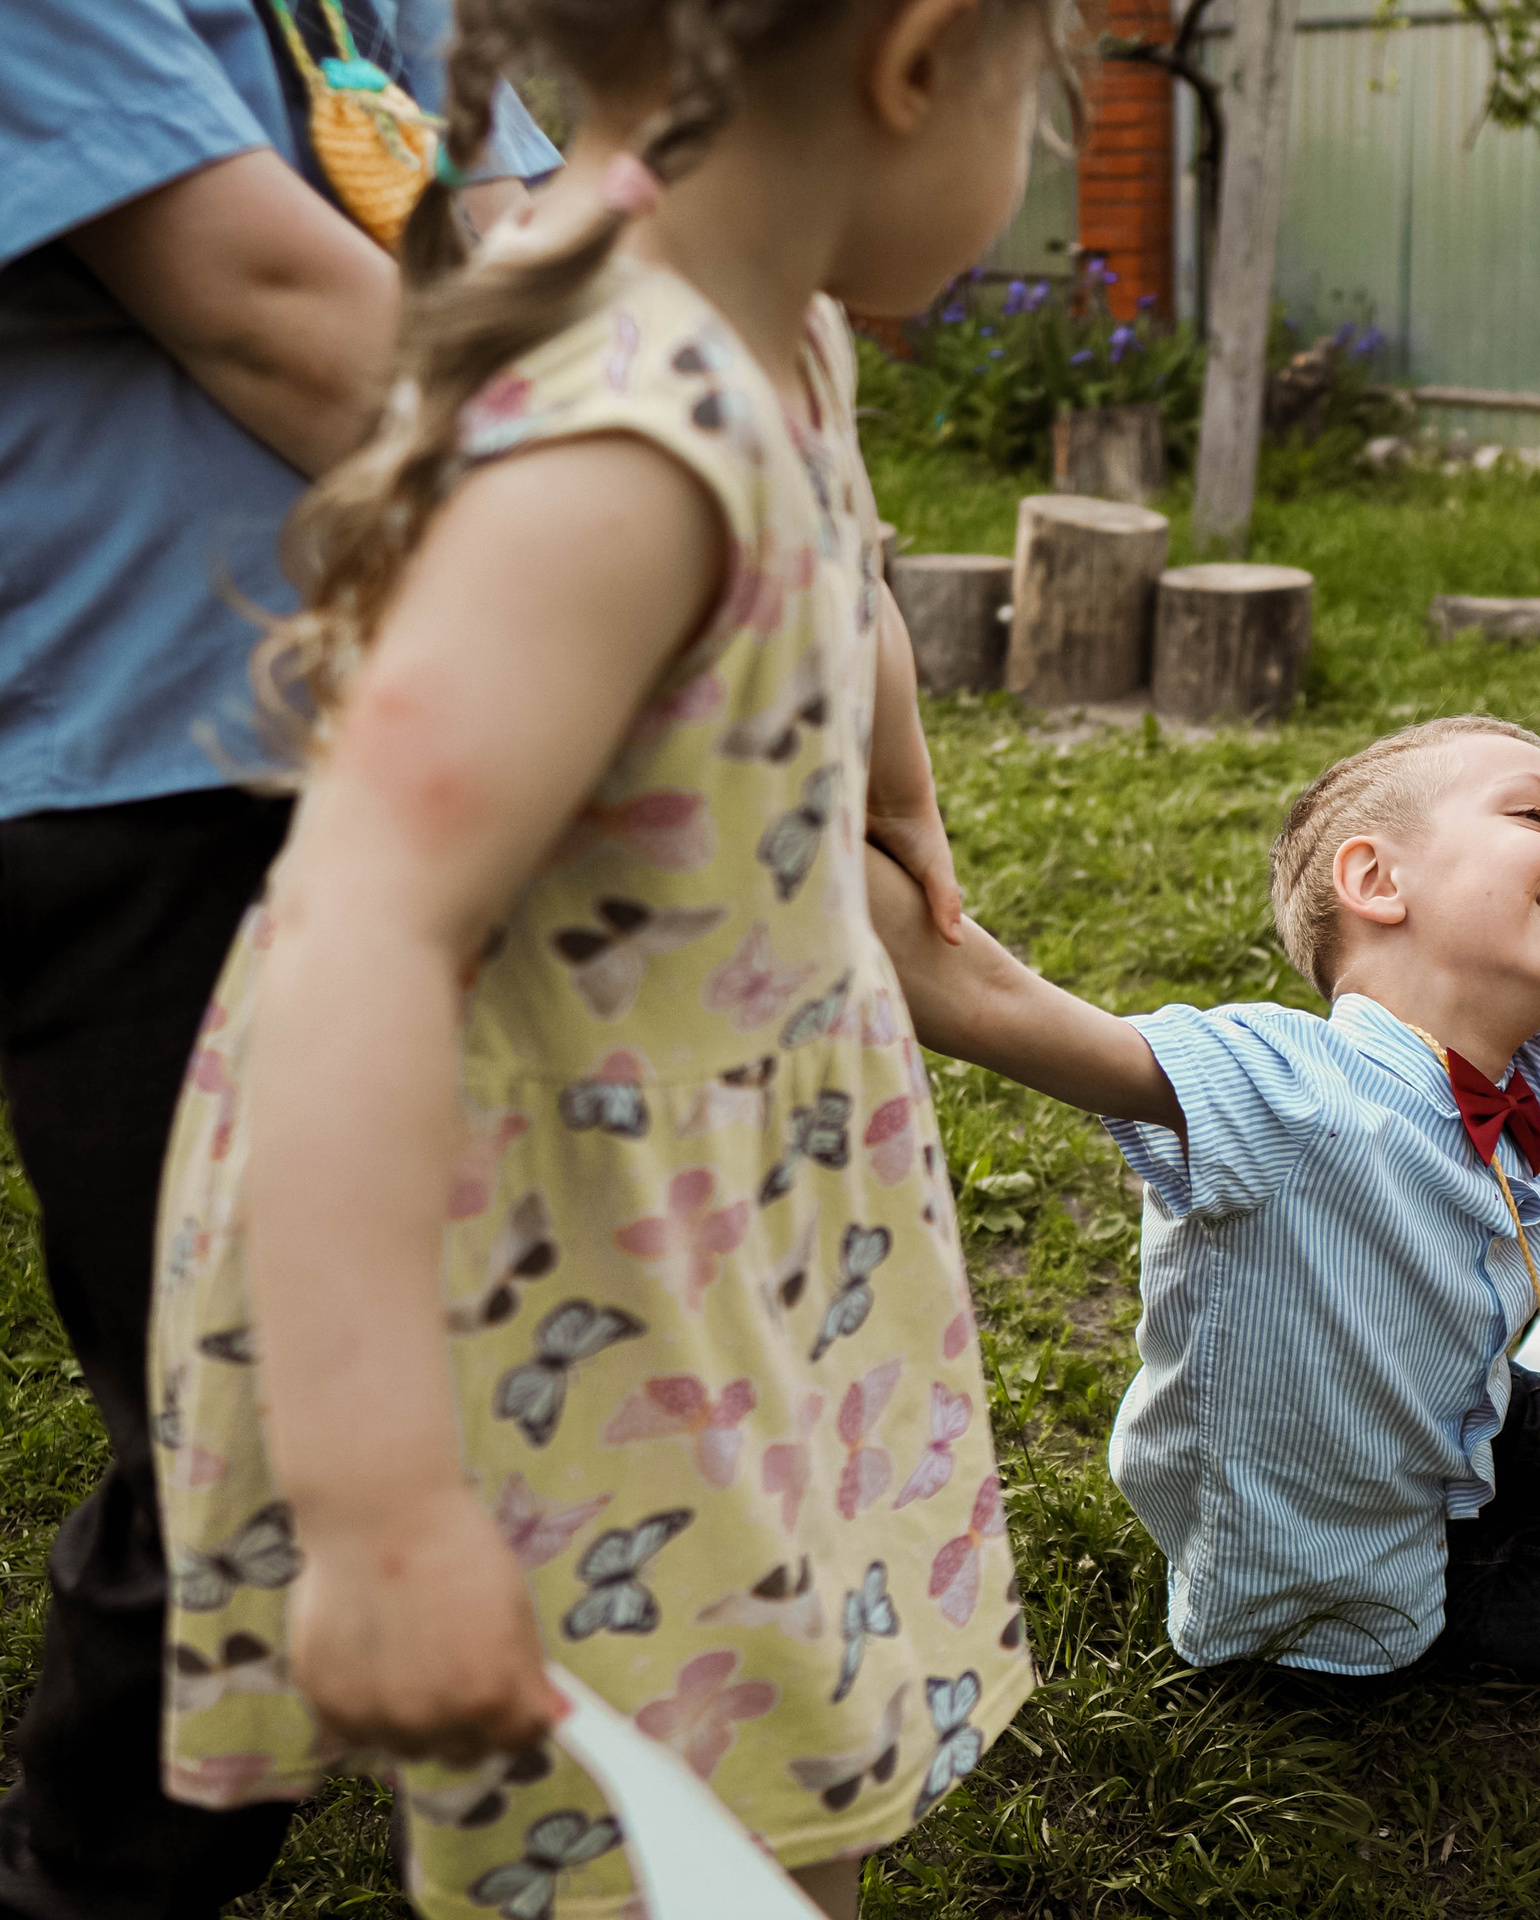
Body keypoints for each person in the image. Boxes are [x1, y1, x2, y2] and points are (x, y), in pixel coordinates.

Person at [145, 0, 1075, 1910]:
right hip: (558, 1240)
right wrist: (383, 1505)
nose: (1043, 152)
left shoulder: (769, 315)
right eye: (1044, 90)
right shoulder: (623, 438)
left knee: (741, 1771)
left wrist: (885, 758)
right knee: (669, 1823)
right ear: (915, 61)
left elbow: (847, 563)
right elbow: (358, 933)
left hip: (721, 1184)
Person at [0, 5, 551, 1914]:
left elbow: (528, 254)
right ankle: (104, 1866)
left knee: (482, 1305)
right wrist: (724, 546)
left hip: (433, 744)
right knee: (220, 1413)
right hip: (150, 779)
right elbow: (267, 305)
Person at [872, 716, 1540, 1683]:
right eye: (1533, 813)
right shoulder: (1273, 1083)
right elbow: (979, 994)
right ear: (1377, 883)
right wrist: (782, 802)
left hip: (1470, 1428)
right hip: (1351, 1531)